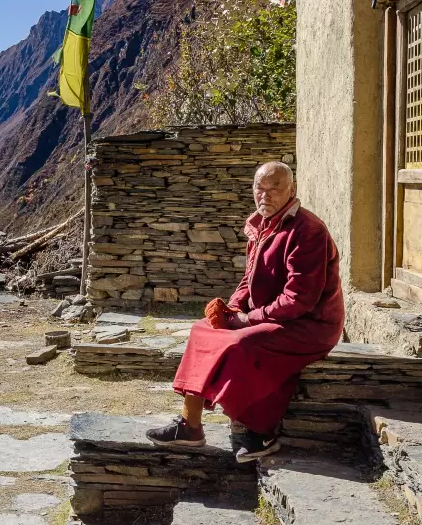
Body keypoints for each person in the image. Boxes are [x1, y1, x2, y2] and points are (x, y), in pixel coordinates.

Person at [146, 161, 344, 463]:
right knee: (204, 330)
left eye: (274, 188)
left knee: (242, 344)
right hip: (272, 316)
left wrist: (246, 320)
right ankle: (190, 426)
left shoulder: (308, 231)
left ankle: (259, 432)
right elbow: (248, 279)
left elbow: (299, 300)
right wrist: (233, 308)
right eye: (259, 188)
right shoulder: (262, 225)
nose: (265, 195)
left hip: (311, 324)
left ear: (292, 189)